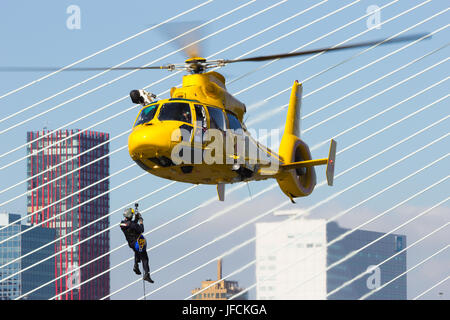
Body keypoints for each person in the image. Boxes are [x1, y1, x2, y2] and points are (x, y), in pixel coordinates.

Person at [120, 204, 154, 283]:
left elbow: (131, 225)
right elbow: (141, 229)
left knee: (137, 251)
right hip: (137, 242)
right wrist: (141, 221)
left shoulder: (122, 224)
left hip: (131, 243)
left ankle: (136, 266)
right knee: (145, 258)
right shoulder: (132, 224)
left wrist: (135, 219)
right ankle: (147, 274)